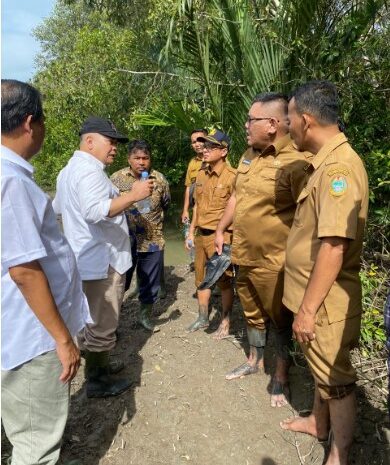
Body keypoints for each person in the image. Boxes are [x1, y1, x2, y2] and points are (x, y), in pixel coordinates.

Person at [280, 81, 369, 465]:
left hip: (326, 305)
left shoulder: (338, 169)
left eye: (289, 118)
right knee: (320, 368)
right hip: (316, 300)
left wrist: (308, 309)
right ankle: (319, 424)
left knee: (337, 381)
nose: (287, 126)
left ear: (306, 119)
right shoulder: (323, 163)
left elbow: (334, 247)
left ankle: (339, 454)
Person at [1, 79, 90, 464]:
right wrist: (62, 338)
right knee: (37, 444)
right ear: (29, 123)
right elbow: (24, 270)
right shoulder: (10, 182)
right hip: (31, 334)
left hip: (16, 325)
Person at [215, 93, 312, 407]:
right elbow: (235, 197)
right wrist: (220, 228)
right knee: (252, 313)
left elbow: (308, 217)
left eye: (251, 120)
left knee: (281, 319)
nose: (246, 125)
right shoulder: (248, 155)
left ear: (272, 124)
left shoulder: (296, 161)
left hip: (275, 262)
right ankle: (254, 360)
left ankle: (281, 374)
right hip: (243, 254)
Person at [53, 117, 153, 398]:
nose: (115, 148)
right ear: (89, 141)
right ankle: (97, 380)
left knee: (89, 317)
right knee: (103, 321)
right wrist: (134, 195)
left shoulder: (68, 171)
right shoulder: (89, 172)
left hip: (84, 258)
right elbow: (96, 211)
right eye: (110, 142)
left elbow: (58, 210)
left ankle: (100, 364)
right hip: (102, 261)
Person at [110, 140, 171, 332]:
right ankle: (112, 321)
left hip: (152, 239)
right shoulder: (116, 178)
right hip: (124, 239)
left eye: (145, 158)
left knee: (150, 281)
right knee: (120, 280)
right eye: (137, 158)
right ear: (129, 159)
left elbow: (166, 203)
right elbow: (107, 206)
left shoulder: (159, 179)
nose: (141, 162)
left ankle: (144, 316)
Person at [185, 129, 236, 338]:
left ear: (223, 151)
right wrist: (190, 231)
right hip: (200, 235)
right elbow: (196, 206)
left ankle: (225, 320)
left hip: (220, 237)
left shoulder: (233, 177)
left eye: (210, 147)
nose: (204, 150)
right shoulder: (200, 174)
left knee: (224, 281)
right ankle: (203, 317)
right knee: (201, 279)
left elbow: (236, 210)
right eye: (204, 146)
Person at [181, 128, 208, 224]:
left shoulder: (218, 158)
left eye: (200, 140)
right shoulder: (192, 162)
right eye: (194, 142)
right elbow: (188, 187)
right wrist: (185, 210)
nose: (197, 144)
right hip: (196, 208)